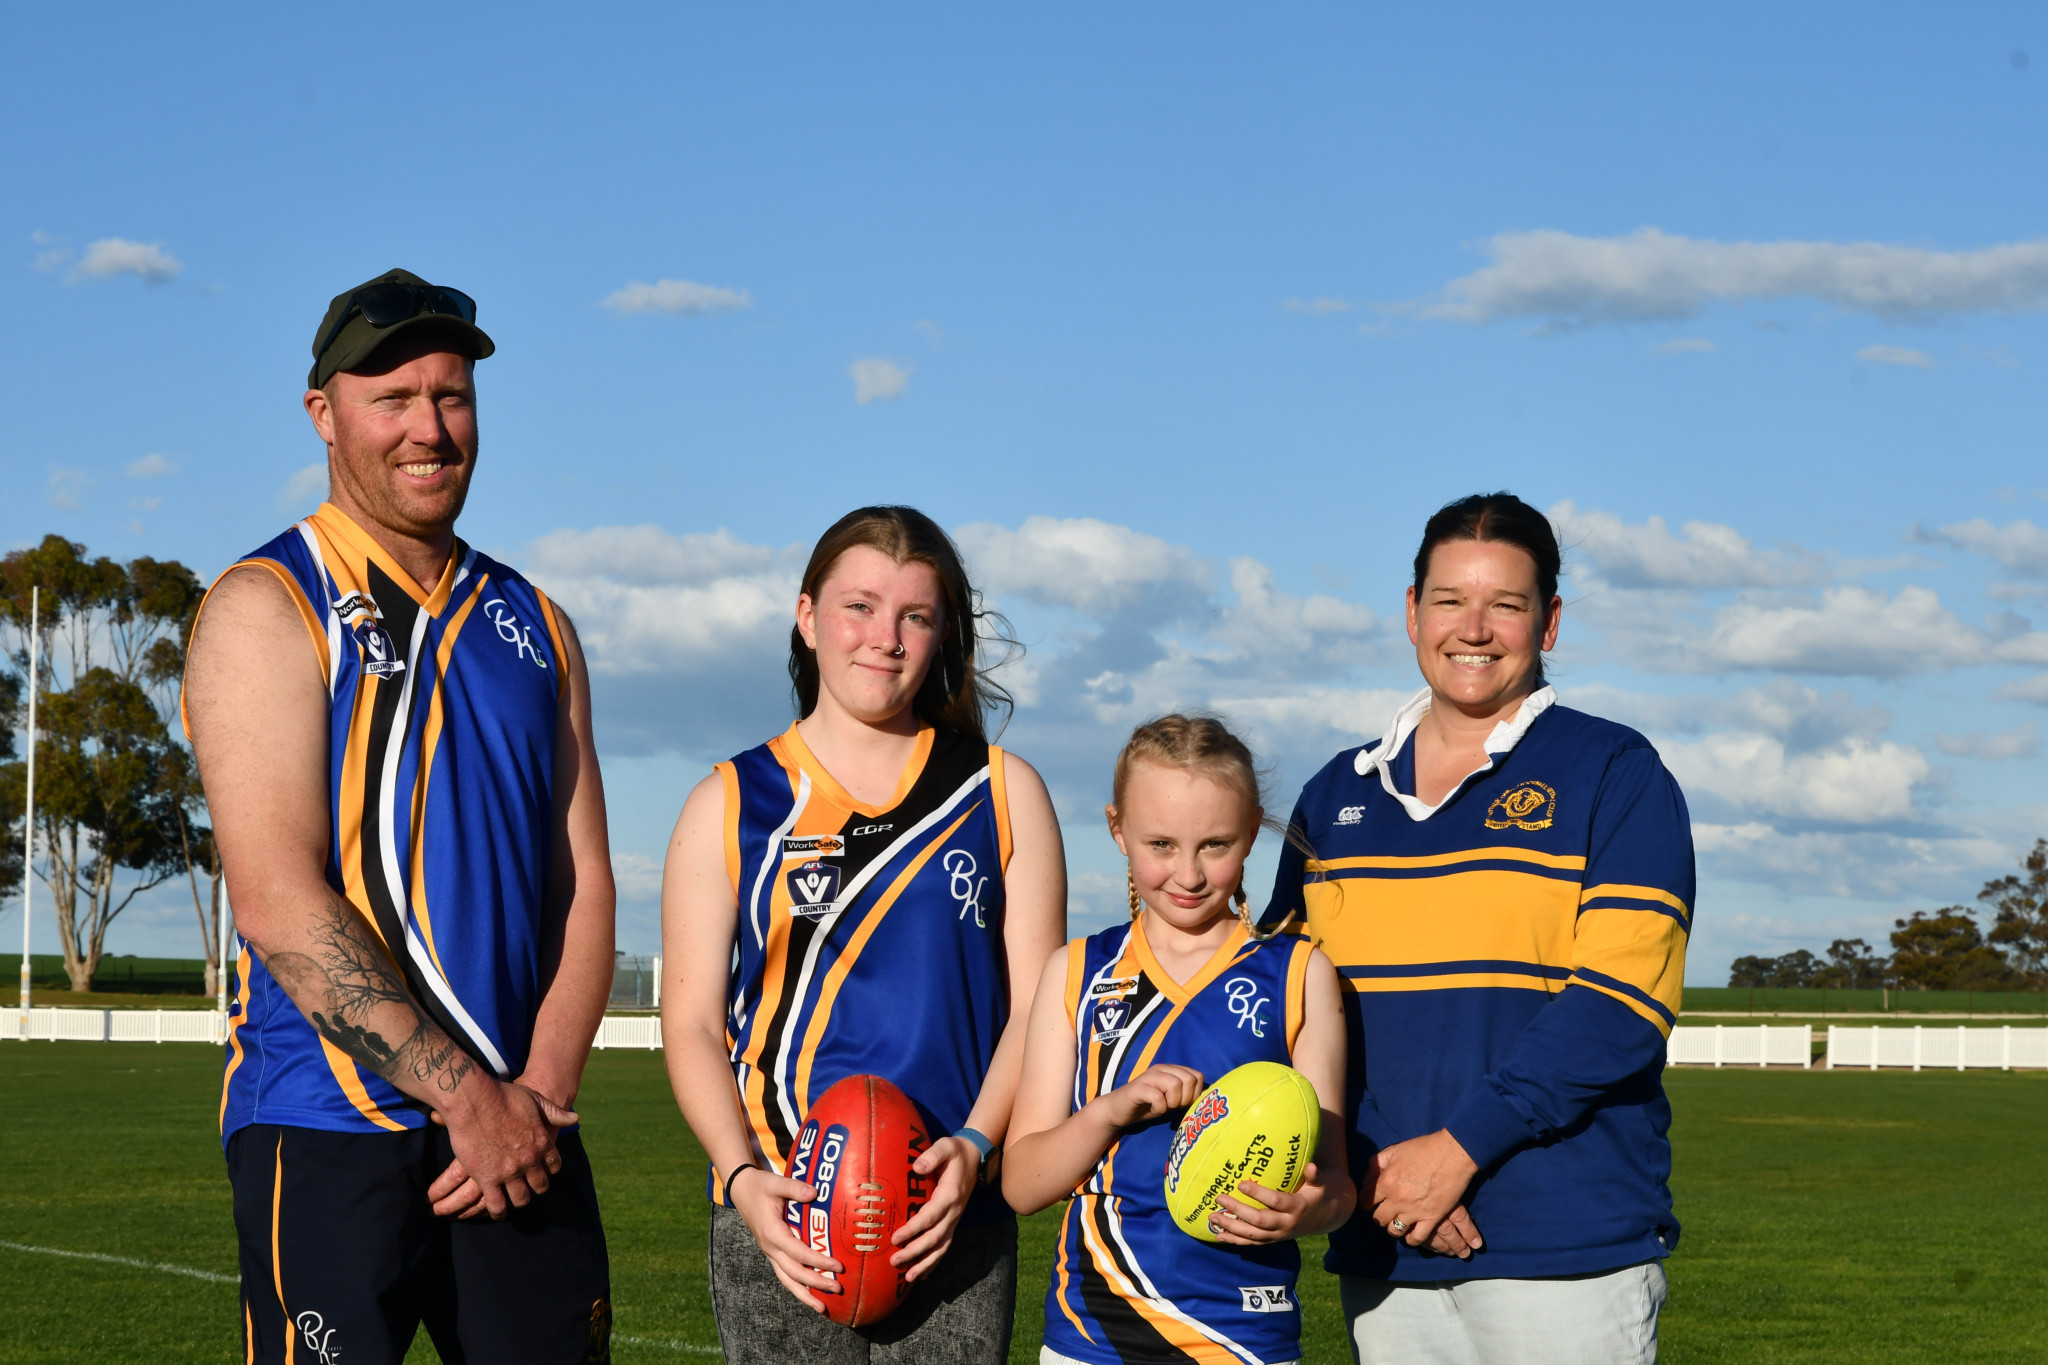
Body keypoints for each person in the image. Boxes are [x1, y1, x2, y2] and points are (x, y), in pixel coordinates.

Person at [184, 269, 617, 1364]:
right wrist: (466, 1097)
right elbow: (279, 903)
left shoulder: (537, 623)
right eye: (393, 398)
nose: (429, 428)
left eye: (452, 396)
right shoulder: (264, 604)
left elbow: (584, 883)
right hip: (330, 1128)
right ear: (323, 414)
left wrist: (539, 1099)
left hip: (522, 1140)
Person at [1264, 492, 1693, 1365]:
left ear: (1551, 620)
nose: (1476, 627)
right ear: (1412, 612)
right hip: (1387, 1241)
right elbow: (1281, 1003)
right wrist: (1376, 1172)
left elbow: (1618, 1004)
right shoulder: (1332, 794)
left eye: (1507, 603)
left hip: (1564, 1249)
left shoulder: (1614, 770)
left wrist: (1458, 1151)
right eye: (1451, 599)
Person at [659, 505, 1067, 1364]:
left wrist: (979, 1147)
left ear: (941, 634)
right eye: (860, 606)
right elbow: (693, 1023)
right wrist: (742, 1181)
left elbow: (1039, 1007)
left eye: (915, 615)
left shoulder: (1001, 792)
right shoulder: (730, 802)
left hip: (946, 1208)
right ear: (806, 617)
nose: (886, 637)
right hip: (783, 1210)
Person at [1006, 715, 1354, 1365]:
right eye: (1161, 843)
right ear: (1117, 829)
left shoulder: (1301, 973)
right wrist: (1110, 1110)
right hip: (1093, 1335)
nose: (1188, 874)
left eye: (1216, 844)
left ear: (1252, 832)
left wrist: (1300, 1213)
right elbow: (1023, 1184)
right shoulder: (1077, 971)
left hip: (1245, 1337)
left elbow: (1337, 1186)